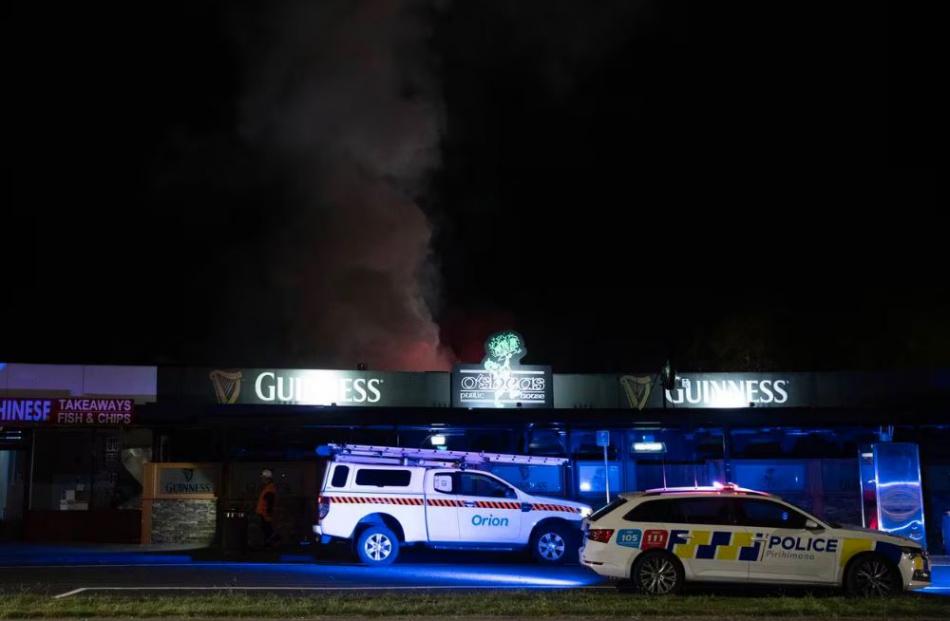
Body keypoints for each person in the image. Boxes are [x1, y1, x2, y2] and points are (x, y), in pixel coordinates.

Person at [256, 468, 279, 547]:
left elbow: (269, 501)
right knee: (267, 529)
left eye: (263, 478)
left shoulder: (269, 488)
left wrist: (268, 512)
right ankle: (269, 543)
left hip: (264, 513)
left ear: (267, 479)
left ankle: (271, 542)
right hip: (264, 512)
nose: (262, 480)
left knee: (267, 529)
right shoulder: (269, 487)